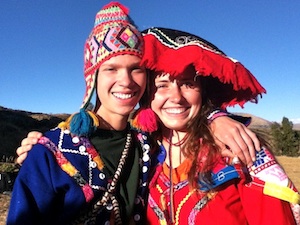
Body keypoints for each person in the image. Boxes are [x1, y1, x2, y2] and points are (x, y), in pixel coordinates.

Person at [7, 3, 262, 225]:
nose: (126, 81)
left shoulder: (147, 144)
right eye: (111, 69)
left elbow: (185, 122)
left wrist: (215, 118)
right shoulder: (49, 153)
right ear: (92, 78)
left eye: (136, 69)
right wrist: (38, 150)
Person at [131, 27, 300, 224]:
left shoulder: (239, 149)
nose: (176, 97)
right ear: (146, 95)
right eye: (162, 86)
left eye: (187, 84)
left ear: (203, 92)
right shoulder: (141, 153)